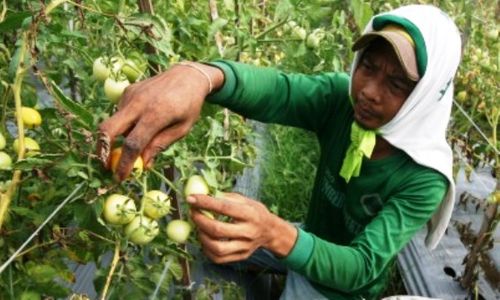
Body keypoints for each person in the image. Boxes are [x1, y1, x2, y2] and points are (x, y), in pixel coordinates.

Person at [97, 4, 462, 299]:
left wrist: (275, 235)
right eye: (367, 66)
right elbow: (279, 91)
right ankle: (273, 261)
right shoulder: (342, 102)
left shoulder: (423, 178)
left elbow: (362, 266)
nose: (368, 90)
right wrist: (201, 77)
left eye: (396, 84)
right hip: (309, 234)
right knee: (217, 243)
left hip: (339, 288)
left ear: (428, 96)